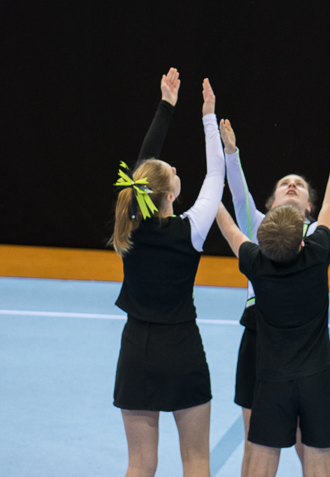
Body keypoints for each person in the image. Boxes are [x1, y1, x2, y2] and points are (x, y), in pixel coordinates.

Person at [219, 117, 330, 477]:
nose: (292, 185)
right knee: (263, 444)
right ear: (269, 205)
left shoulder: (257, 254)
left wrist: (209, 187)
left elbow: (228, 226)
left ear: (309, 206)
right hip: (279, 347)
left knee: (268, 447)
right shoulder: (306, 241)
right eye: (284, 183)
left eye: (299, 184)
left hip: (275, 362)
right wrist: (231, 154)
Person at [110, 68, 225, 477]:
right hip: (182, 349)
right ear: (171, 193)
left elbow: (142, 166)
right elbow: (216, 175)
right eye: (172, 169)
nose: (175, 167)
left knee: (140, 463)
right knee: (196, 460)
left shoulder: (132, 227)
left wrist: (166, 106)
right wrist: (208, 117)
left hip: (136, 350)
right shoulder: (191, 230)